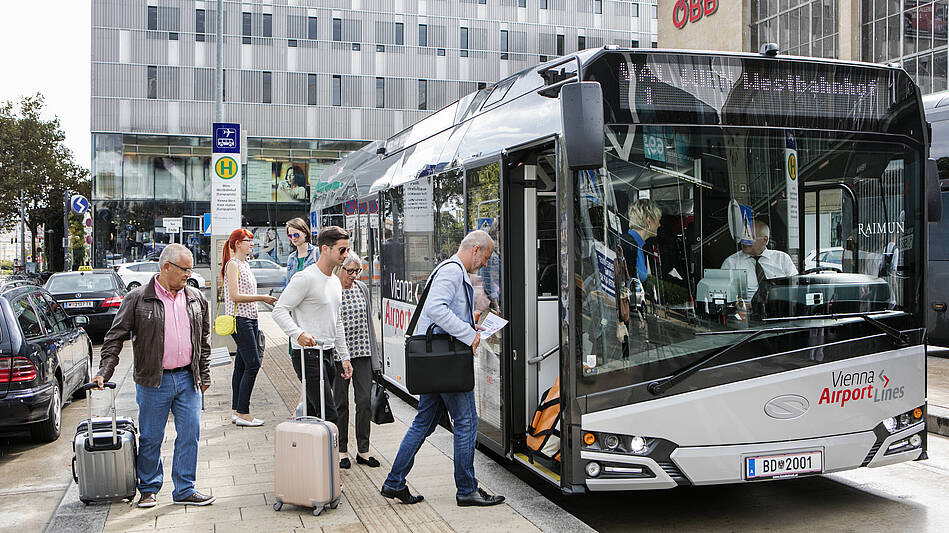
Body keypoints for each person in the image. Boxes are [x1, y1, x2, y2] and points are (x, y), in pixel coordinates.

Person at [380, 230, 505, 508]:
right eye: (485, 258)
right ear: (475, 249)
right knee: (466, 422)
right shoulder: (452, 271)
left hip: (436, 361)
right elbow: (436, 309)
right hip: (446, 362)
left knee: (423, 422)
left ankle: (394, 482)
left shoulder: (450, 270)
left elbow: (443, 312)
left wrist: (471, 326)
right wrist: (467, 333)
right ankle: (466, 489)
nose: (485, 264)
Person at [92, 244, 215, 508]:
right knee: (151, 437)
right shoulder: (137, 298)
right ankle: (148, 488)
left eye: (190, 269)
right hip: (152, 381)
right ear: (166, 267)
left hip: (187, 379)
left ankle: (185, 488)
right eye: (184, 269)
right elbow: (115, 337)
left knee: (190, 434)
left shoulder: (195, 298)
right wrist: (104, 371)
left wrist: (203, 375)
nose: (188, 274)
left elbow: (203, 341)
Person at [272, 226, 354, 424]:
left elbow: (338, 320)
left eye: (347, 249)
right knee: (329, 415)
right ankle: (330, 455)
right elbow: (279, 310)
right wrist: (298, 334)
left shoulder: (335, 281)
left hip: (328, 353)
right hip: (307, 355)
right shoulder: (305, 278)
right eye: (341, 250)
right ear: (325, 249)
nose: (346, 255)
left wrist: (345, 357)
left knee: (313, 413)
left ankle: (305, 453)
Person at [223, 228, 278, 427]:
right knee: (253, 364)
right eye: (248, 240)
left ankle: (236, 411)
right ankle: (244, 412)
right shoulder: (233, 264)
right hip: (240, 319)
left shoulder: (245, 264)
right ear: (237, 243)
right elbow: (235, 296)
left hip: (250, 318)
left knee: (242, 365)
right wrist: (262, 298)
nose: (252, 244)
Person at [334, 251, 382, 469]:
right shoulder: (331, 290)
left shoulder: (361, 289)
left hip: (362, 353)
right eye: (350, 270)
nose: (354, 275)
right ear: (339, 269)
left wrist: (376, 358)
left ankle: (363, 449)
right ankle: (341, 450)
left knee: (364, 402)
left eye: (357, 271)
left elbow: (370, 326)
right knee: (340, 403)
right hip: (338, 356)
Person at [722, 219, 797, 299]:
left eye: (749, 237)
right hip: (746, 309)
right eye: (742, 237)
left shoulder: (782, 258)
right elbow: (724, 294)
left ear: (765, 240)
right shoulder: (731, 262)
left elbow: (795, 287)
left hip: (778, 307)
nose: (744, 241)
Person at [620, 199, 662, 284]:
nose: (659, 225)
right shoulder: (628, 245)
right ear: (648, 221)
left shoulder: (638, 245)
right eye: (658, 220)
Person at [284, 217, 318, 289]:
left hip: (313, 297)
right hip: (296, 298)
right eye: (290, 236)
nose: (293, 238)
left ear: (305, 233)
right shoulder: (291, 258)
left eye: (296, 235)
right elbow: (289, 284)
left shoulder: (317, 252)